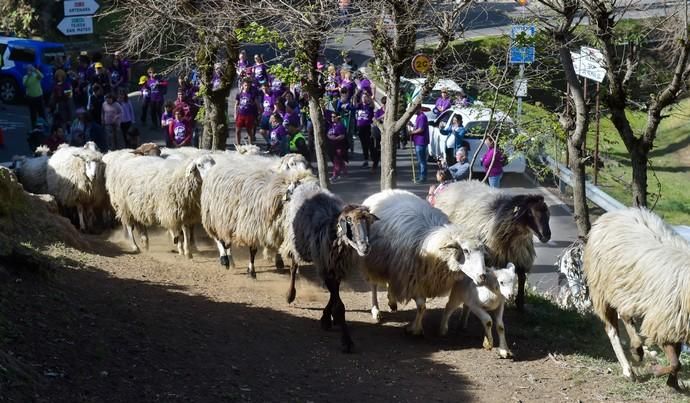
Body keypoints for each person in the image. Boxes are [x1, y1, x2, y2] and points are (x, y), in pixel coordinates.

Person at [234, 79, 260, 145]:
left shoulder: (252, 94)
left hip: (249, 115)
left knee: (249, 131)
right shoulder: (239, 94)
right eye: (245, 85)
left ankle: (250, 145)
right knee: (238, 130)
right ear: (243, 85)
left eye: (248, 85)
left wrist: (259, 112)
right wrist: (235, 114)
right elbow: (236, 105)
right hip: (240, 114)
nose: (247, 86)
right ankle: (238, 145)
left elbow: (257, 104)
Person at [353, 91, 374, 167]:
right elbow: (354, 104)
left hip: (368, 127)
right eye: (363, 97)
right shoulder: (360, 106)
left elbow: (372, 103)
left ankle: (373, 159)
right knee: (363, 144)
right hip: (360, 127)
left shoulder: (369, 106)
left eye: (365, 97)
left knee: (369, 143)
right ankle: (366, 160)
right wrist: (355, 95)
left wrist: (368, 95)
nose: (364, 99)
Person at [410, 104, 429, 183]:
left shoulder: (422, 117)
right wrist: (411, 125)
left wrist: (412, 132)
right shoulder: (418, 116)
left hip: (421, 141)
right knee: (419, 160)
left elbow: (421, 129)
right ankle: (420, 175)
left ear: (418, 109)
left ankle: (423, 177)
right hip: (417, 141)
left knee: (422, 160)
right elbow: (417, 127)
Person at [327, 113, 348, 181]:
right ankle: (345, 172)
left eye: (334, 116)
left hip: (339, 146)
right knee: (338, 160)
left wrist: (335, 138)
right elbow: (328, 133)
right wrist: (330, 137)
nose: (332, 118)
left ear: (338, 117)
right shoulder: (332, 125)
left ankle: (335, 175)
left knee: (337, 161)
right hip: (332, 146)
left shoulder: (340, 126)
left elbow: (342, 136)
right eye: (331, 116)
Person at [370, 96, 385, 171]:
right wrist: (381, 117)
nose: (384, 106)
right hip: (378, 133)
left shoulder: (391, 112)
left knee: (386, 151)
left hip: (386, 134)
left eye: (386, 104)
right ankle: (374, 165)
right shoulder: (379, 111)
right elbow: (374, 120)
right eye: (383, 104)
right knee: (376, 150)